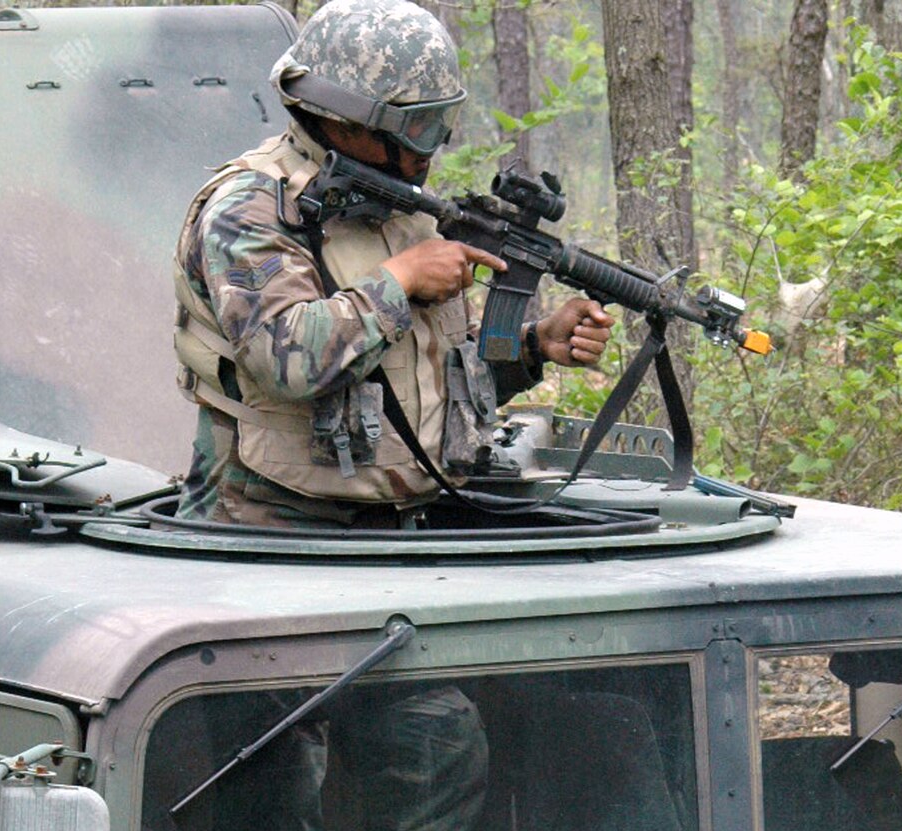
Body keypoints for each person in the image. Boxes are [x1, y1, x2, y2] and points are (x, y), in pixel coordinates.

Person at [173, 0, 613, 527]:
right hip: (267, 530)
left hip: (396, 526)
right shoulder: (253, 209)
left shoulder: (399, 212)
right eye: (420, 126)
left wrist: (534, 346)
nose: (435, 147)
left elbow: (436, 385)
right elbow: (288, 362)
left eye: (442, 121)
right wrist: (400, 281)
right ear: (351, 121)